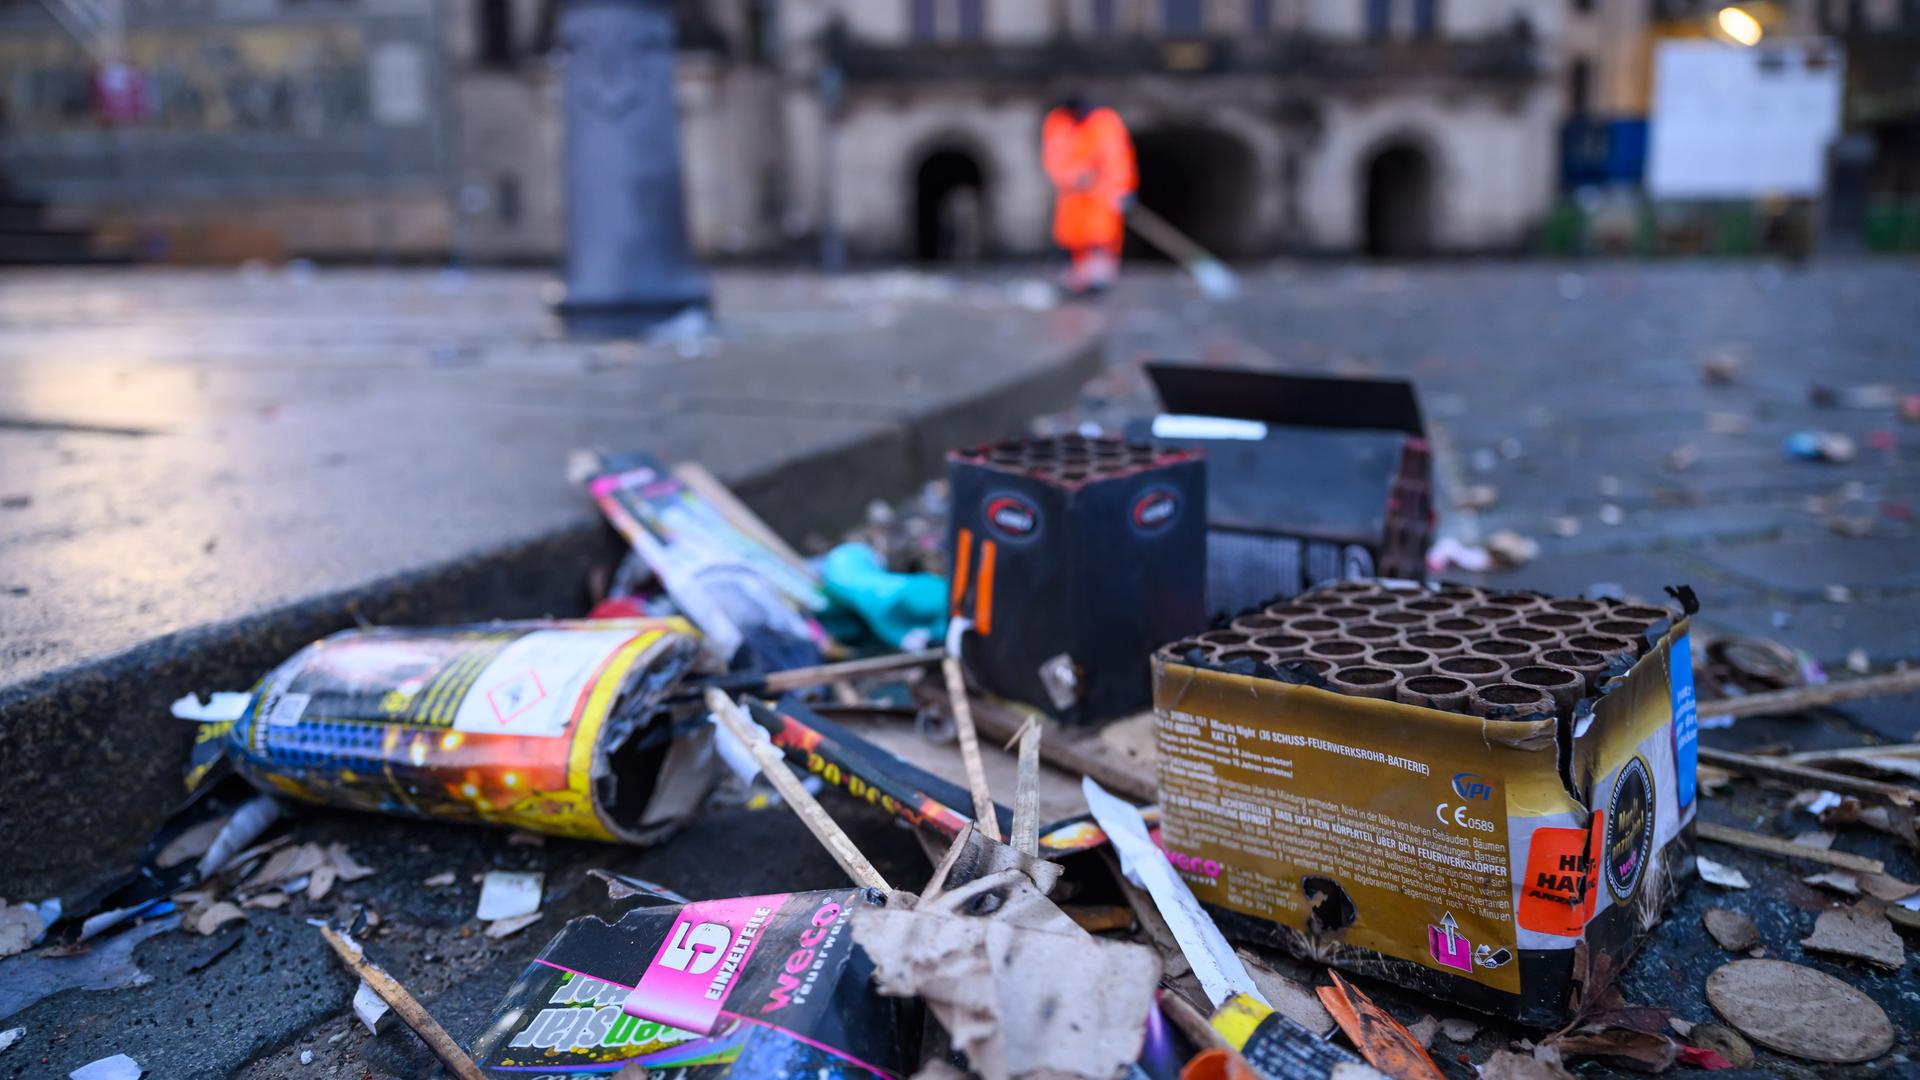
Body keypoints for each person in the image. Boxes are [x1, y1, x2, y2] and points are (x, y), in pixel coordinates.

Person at [1042, 96, 1136, 295]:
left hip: (1102, 195)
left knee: (1101, 237)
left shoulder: (1106, 123)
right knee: (1072, 239)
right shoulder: (1058, 123)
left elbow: (1117, 160)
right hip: (1073, 197)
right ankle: (1077, 280)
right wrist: (1074, 177)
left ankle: (1097, 279)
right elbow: (1054, 158)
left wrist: (1122, 189)